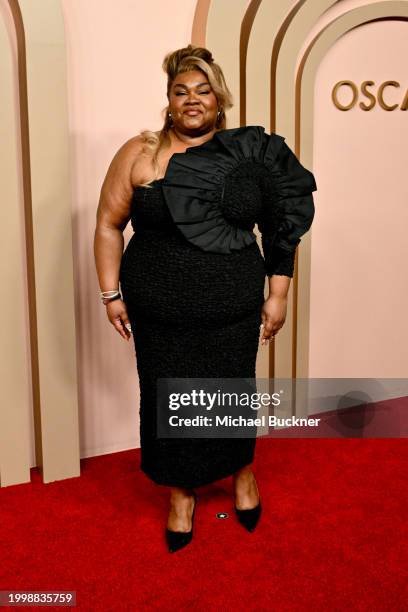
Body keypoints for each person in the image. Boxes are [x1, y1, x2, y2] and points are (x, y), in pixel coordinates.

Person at [94, 45, 317, 553]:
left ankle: (241, 476)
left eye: (203, 90)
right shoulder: (140, 152)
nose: (192, 100)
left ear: (219, 99)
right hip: (158, 309)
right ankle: (180, 494)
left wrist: (277, 294)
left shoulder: (248, 155)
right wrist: (111, 294)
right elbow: (108, 225)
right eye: (181, 91)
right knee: (167, 396)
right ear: (169, 100)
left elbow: (282, 230)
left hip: (231, 306)